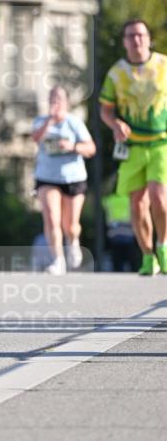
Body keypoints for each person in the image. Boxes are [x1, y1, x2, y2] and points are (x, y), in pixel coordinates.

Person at [99, 18, 167, 275]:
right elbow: (105, 109)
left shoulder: (163, 65)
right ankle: (148, 256)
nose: (136, 40)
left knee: (159, 198)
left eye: (141, 35)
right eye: (131, 36)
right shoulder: (116, 73)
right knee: (137, 205)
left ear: (149, 39)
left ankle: (163, 245)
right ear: (124, 42)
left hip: (161, 143)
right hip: (132, 147)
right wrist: (115, 123)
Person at [31, 86, 96, 274]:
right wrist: (50, 121)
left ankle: (73, 241)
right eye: (52, 98)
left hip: (73, 178)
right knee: (51, 218)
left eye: (59, 99)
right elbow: (35, 138)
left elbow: (91, 149)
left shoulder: (74, 123)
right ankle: (58, 260)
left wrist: (72, 146)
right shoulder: (41, 121)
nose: (55, 102)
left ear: (66, 102)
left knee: (71, 225)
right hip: (47, 177)